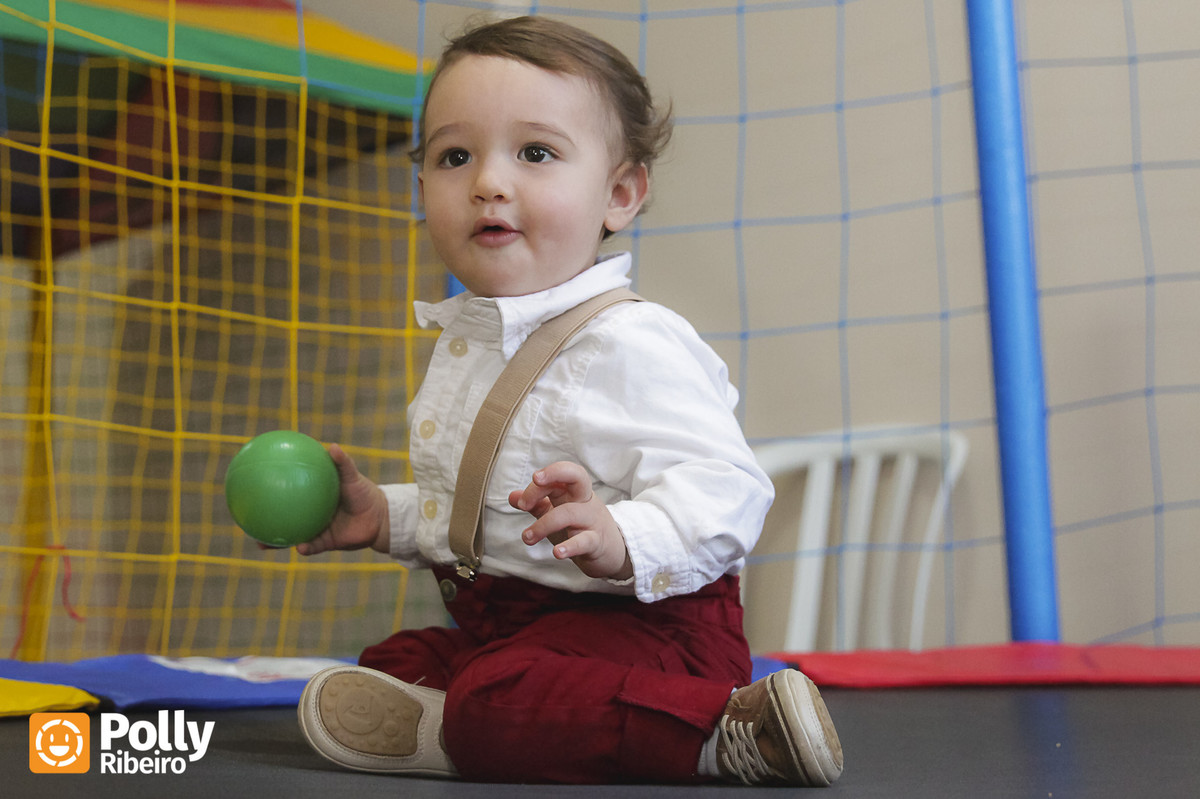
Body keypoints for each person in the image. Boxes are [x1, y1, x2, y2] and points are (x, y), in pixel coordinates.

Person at [294, 15, 843, 786]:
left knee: (497, 695)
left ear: (619, 194)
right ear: (422, 193)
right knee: (398, 660)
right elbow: (483, 513)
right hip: (521, 625)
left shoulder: (631, 342)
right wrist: (386, 516)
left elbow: (730, 491)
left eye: (535, 153)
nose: (488, 182)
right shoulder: (473, 343)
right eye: (455, 156)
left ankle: (726, 733)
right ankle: (476, 729)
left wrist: (622, 535)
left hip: (654, 633)